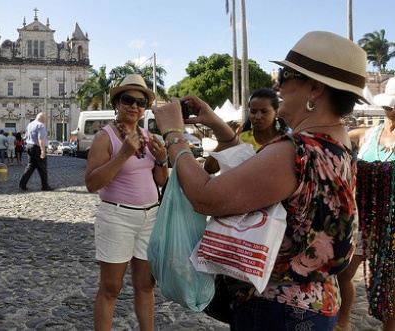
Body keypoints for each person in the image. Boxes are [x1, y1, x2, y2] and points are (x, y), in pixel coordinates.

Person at [152, 31, 363, 330]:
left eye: (287, 75)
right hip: (318, 302)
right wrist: (218, 124)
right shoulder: (336, 145)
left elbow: (205, 196)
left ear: (314, 88)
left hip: (277, 310)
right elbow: (255, 170)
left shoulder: (297, 151)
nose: (278, 84)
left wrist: (173, 134)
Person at [85, 74, 169, 330]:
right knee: (111, 288)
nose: (134, 106)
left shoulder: (148, 136)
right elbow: (91, 183)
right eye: (128, 100)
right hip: (117, 218)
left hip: (149, 218)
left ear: (145, 108)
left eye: (140, 102)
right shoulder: (105, 136)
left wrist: (163, 159)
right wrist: (122, 155)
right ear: (117, 103)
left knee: (145, 286)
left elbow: (161, 180)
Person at [336, 79, 395, 331]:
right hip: (362, 221)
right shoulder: (366, 134)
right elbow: (332, 139)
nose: (390, 111)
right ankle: (344, 322)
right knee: (344, 273)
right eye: (389, 106)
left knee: (391, 288)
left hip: (392, 227)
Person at [204, 88, 288, 174]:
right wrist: (225, 141)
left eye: (264, 112)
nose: (258, 116)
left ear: (276, 112)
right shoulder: (240, 139)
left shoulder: (287, 142)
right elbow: (209, 169)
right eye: (253, 112)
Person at [19, 112, 53, 191]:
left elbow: (25, 136)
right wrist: (43, 150)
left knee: (31, 166)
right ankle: (45, 186)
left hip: (29, 146)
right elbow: (40, 138)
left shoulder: (30, 124)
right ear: (42, 118)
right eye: (46, 118)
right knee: (43, 167)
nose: (46, 119)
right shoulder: (40, 126)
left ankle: (22, 184)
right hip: (37, 147)